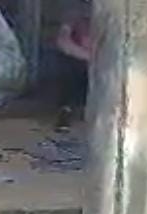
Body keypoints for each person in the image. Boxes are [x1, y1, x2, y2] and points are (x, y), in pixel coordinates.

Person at [54, 0, 92, 132]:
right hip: (83, 58)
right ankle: (65, 109)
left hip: (107, 59)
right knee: (69, 65)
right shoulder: (75, 9)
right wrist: (87, 56)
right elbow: (62, 40)